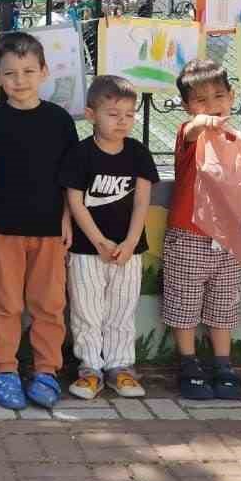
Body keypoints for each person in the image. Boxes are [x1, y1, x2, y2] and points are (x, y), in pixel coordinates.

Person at [0, 31, 80, 411]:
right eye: (11, 73)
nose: (20, 80)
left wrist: (68, 218)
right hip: (4, 231)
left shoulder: (59, 121)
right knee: (5, 303)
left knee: (48, 304)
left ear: (44, 72)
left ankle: (47, 371)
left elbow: (71, 178)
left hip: (50, 231)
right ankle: (5, 369)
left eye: (29, 71)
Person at [61, 74, 157, 401]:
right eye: (113, 114)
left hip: (128, 251)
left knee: (121, 310)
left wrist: (130, 242)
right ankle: (90, 368)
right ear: (91, 115)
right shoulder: (80, 154)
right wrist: (100, 241)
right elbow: (75, 200)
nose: (122, 122)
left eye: (129, 115)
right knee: (87, 311)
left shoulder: (139, 154)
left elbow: (143, 200)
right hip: (88, 250)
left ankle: (120, 368)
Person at [162, 59, 241, 402]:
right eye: (201, 100)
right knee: (185, 301)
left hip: (228, 239)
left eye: (219, 96)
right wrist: (201, 122)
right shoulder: (189, 134)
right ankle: (188, 361)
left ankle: (223, 363)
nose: (213, 106)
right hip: (189, 234)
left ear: (232, 96)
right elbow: (193, 130)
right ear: (186, 107)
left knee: (224, 304)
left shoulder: (238, 140)